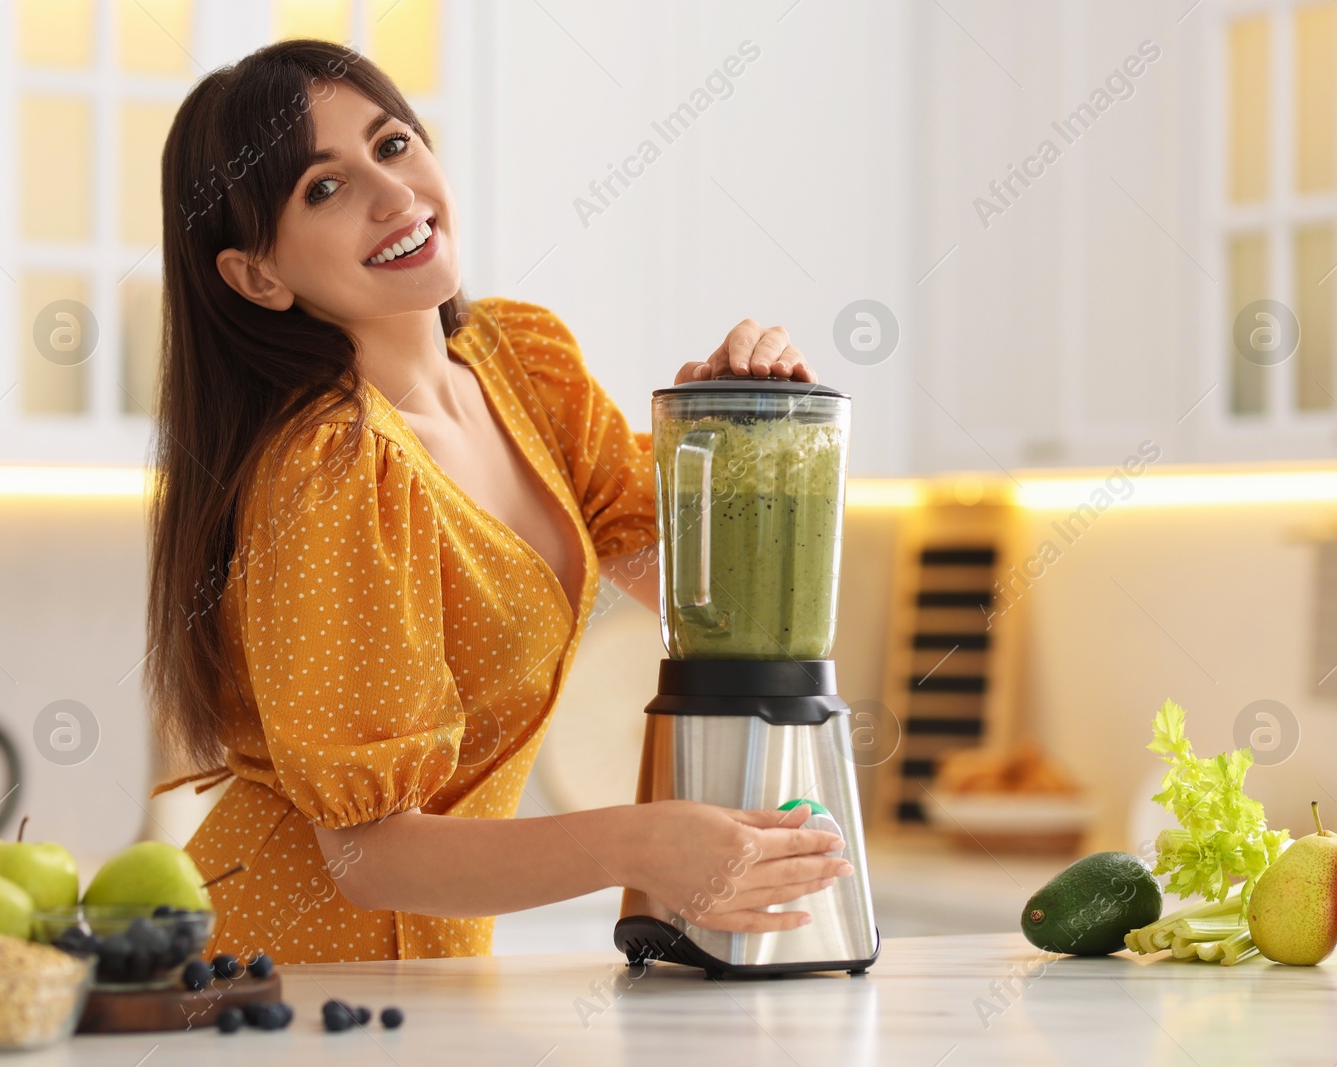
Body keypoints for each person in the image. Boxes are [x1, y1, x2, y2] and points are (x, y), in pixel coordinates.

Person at [144, 38, 849, 963]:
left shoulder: (519, 362)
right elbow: (369, 853)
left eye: (392, 144)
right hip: (288, 980)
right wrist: (642, 843)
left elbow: (703, 605)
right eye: (323, 188)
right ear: (257, 275)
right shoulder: (330, 470)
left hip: (426, 982)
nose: (393, 196)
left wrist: (734, 432)